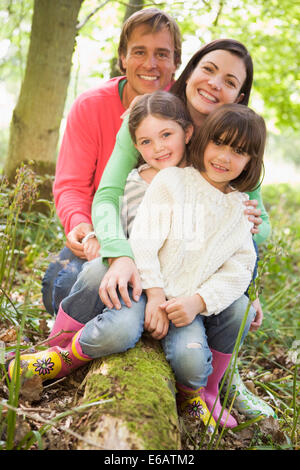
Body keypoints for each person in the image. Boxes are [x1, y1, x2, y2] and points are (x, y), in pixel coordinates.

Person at [91, 39, 275, 420]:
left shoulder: (237, 143)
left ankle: (218, 382)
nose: (213, 83)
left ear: (239, 95)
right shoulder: (153, 116)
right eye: (208, 69)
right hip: (137, 252)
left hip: (195, 278)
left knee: (237, 307)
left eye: (228, 80)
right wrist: (118, 251)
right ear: (190, 70)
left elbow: (257, 228)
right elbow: (107, 195)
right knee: (94, 274)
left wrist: (250, 271)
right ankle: (68, 344)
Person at [127, 98, 266, 430]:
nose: (223, 157)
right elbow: (143, 239)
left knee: (192, 363)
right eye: (219, 143)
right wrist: (157, 294)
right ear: (203, 139)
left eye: (239, 151)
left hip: (188, 308)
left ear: (250, 161)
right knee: (119, 331)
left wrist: (197, 302)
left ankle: (204, 392)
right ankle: (65, 352)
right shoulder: (173, 181)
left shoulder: (239, 209)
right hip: (151, 292)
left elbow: (240, 269)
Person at [41, 8, 182, 316]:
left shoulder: (184, 111)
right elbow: (72, 184)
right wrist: (80, 223)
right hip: (105, 232)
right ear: (122, 58)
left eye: (162, 54)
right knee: (61, 283)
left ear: (176, 62)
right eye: (139, 52)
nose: (150, 64)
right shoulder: (91, 107)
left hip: (166, 243)